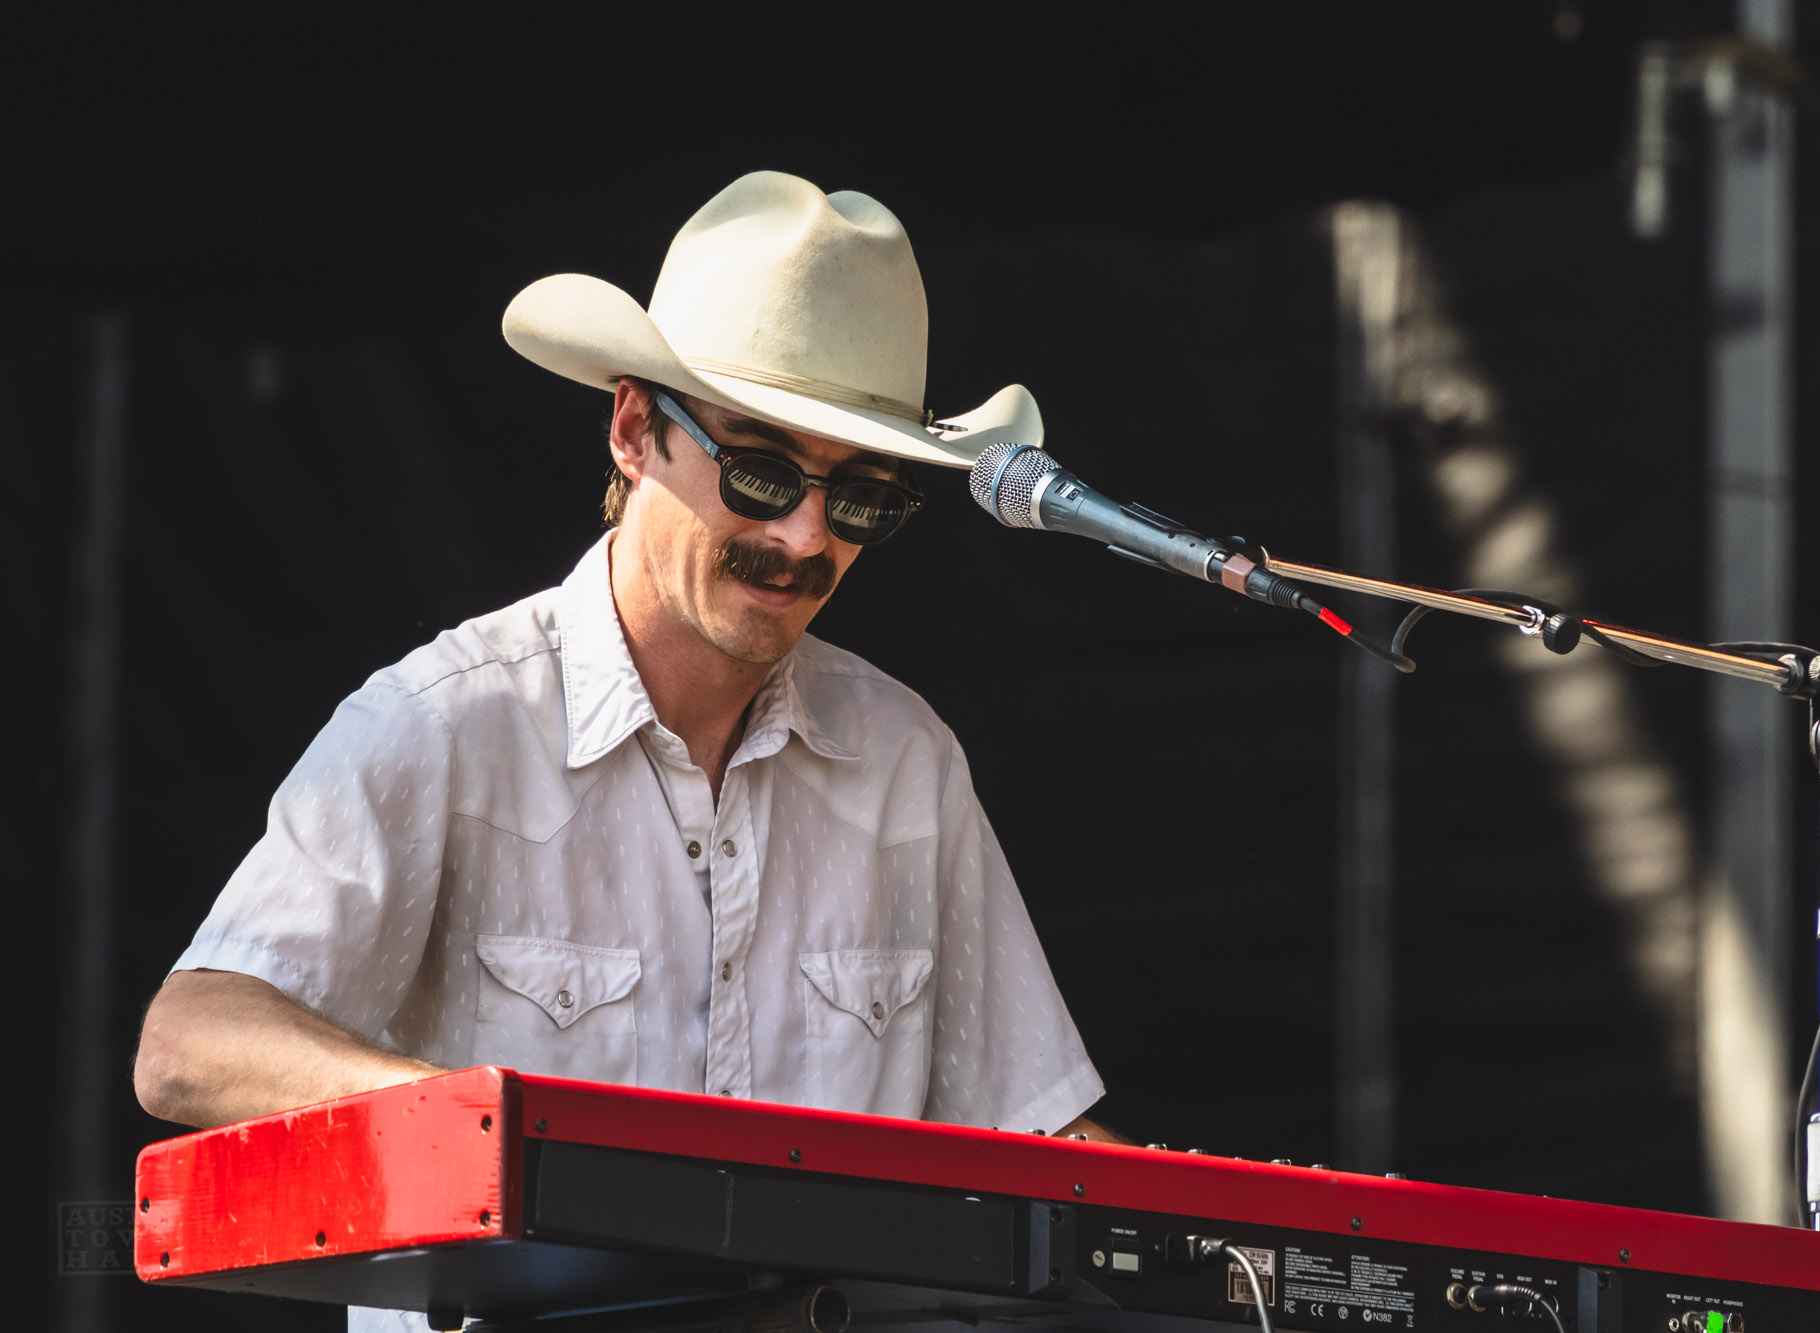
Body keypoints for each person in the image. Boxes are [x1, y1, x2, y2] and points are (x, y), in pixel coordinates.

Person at [134, 172, 1107, 1200]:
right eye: (762, 473)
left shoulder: (907, 759)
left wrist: (1208, 1247)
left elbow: (1038, 1130)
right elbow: (190, 1042)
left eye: (862, 496)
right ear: (634, 428)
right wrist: (481, 1125)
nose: (804, 536)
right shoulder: (448, 722)